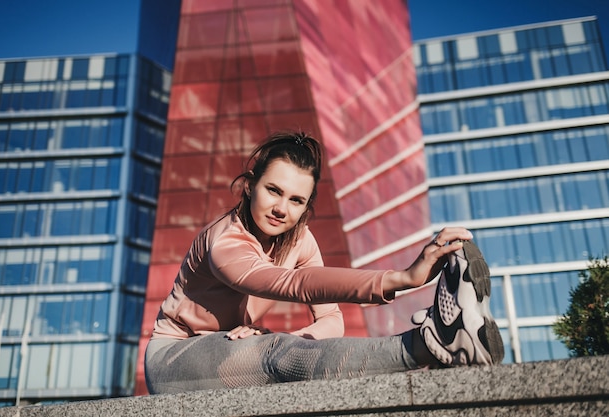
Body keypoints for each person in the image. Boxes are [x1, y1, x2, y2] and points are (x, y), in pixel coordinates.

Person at [144, 131, 504, 393]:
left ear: (306, 206)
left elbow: (331, 318)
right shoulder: (225, 242)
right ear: (250, 186)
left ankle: (452, 335)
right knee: (277, 352)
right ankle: (432, 341)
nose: (282, 209)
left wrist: (302, 340)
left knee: (286, 351)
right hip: (173, 358)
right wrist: (404, 278)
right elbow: (291, 285)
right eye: (273, 190)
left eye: (297, 200)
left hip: (229, 351)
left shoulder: (299, 240)